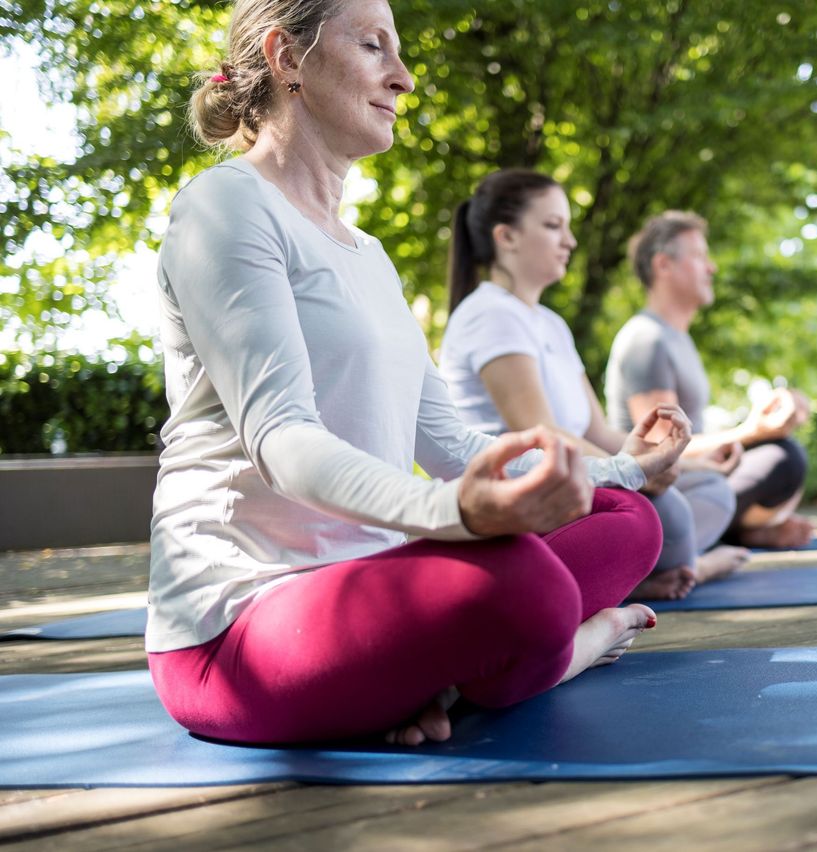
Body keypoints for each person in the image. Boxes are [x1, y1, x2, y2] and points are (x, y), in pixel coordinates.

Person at [146, 0, 691, 748]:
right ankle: (564, 650)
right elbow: (282, 438)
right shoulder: (226, 207)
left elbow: (449, 442)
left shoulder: (368, 256)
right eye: (374, 47)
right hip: (236, 629)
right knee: (525, 587)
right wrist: (459, 515)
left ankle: (443, 678)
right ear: (285, 57)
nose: (403, 79)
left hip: (374, 589)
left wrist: (628, 468)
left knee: (628, 522)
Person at [438, 170, 749, 601]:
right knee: (665, 513)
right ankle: (685, 566)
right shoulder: (490, 315)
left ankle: (657, 568)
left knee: (711, 489)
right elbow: (542, 437)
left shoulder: (550, 324)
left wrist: (681, 462)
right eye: (553, 226)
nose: (570, 241)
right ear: (506, 237)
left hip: (579, 485)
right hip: (527, 504)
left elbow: (598, 433)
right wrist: (632, 475)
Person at [605, 211, 814, 549]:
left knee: (784, 452)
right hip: (661, 493)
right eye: (700, 256)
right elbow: (661, 452)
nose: (711, 267)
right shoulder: (646, 339)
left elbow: (694, 439)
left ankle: (734, 533)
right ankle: (729, 536)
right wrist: (751, 431)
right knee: (782, 457)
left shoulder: (677, 338)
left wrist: (769, 422)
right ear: (663, 265)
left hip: (694, 477)